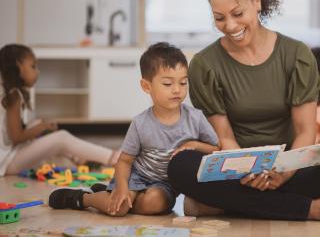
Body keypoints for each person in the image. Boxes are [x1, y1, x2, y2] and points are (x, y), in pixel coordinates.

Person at [167, 0, 320, 223]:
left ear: (257, 1)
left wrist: (283, 172)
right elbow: (226, 139)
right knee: (180, 167)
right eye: (219, 18)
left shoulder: (297, 55)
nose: (230, 25)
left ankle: (222, 206)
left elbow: (306, 131)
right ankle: (313, 210)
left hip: (290, 163)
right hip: (236, 167)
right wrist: (247, 170)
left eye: (237, 13)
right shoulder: (204, 65)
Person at [49, 42, 219, 216]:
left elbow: (216, 149)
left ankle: (106, 193)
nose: (177, 90)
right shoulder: (140, 123)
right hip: (136, 176)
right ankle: (83, 198)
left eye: (183, 83)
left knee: (153, 204)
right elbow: (124, 161)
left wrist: (195, 145)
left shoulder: (196, 118)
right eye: (168, 84)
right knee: (119, 208)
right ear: (146, 86)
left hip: (165, 185)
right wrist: (122, 188)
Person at [0, 44, 120, 176]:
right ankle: (114, 158)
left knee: (40, 126)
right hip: (6, 163)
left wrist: (40, 126)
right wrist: (42, 127)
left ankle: (81, 158)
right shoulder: (13, 95)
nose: (37, 72)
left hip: (9, 156)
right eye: (33, 66)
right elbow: (17, 137)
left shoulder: (10, 92)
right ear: (18, 66)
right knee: (61, 138)